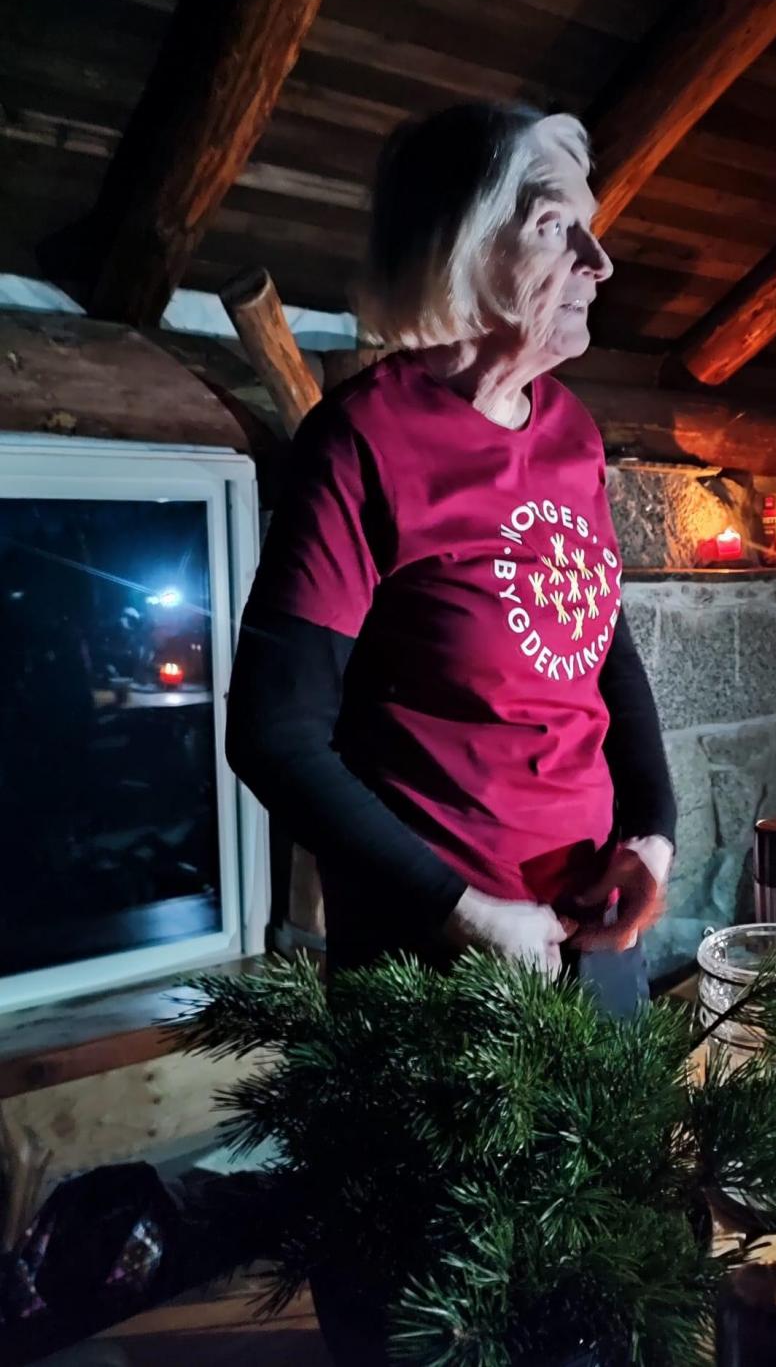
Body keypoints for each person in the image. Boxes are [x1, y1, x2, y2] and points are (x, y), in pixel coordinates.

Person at [226, 102, 676, 1015]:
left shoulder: (572, 433)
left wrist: (652, 833)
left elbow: (603, 652)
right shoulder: (365, 441)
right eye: (553, 226)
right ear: (463, 247)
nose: (598, 261)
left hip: (593, 928)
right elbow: (275, 732)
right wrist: (461, 911)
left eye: (590, 227)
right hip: (437, 957)